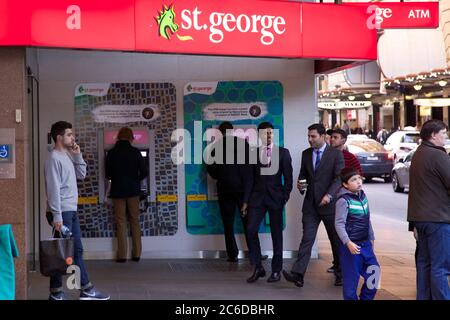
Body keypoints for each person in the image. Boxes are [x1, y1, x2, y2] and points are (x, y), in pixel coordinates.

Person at [45, 121, 110, 300]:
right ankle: (84, 288)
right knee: (69, 251)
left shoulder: (66, 155)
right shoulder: (53, 158)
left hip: (70, 210)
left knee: (67, 251)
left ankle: (58, 292)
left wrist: (78, 156)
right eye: (69, 134)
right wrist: (57, 216)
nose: (73, 137)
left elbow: (82, 175)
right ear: (59, 137)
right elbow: (53, 189)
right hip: (63, 212)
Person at [283, 123, 344, 287]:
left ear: (323, 136)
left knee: (335, 241)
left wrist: (329, 195)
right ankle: (298, 274)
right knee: (307, 240)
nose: (310, 139)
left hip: (329, 205)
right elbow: (304, 174)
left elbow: (339, 178)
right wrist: (301, 184)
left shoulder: (335, 155)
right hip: (310, 205)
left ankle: (340, 273)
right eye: (308, 136)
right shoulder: (305, 154)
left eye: (313, 136)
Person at [245, 122, 293, 283]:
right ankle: (258, 267)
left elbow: (289, 178)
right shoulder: (253, 153)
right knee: (250, 230)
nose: (268, 135)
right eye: (265, 133)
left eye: (271, 133)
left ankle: (276, 270)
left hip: (275, 199)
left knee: (276, 234)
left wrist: (284, 197)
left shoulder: (283, 153)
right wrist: (246, 200)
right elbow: (249, 180)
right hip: (257, 199)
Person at [407, 119, 450, 300]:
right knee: (440, 267)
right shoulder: (437, 155)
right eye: (443, 133)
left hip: (420, 218)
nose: (446, 137)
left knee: (424, 264)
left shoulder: (418, 153)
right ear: (433, 135)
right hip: (438, 219)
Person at [206, 122, 258, 262]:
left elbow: (211, 170)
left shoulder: (216, 148)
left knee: (228, 223)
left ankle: (232, 254)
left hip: (225, 190)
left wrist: (222, 176)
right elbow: (251, 167)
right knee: (248, 222)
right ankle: (254, 253)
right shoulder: (244, 145)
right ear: (233, 131)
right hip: (242, 190)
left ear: (220, 132)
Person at [335, 167, 379, 300]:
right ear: (345, 184)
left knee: (374, 273)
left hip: (365, 244)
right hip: (351, 248)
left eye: (359, 178)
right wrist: (347, 242)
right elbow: (339, 224)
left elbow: (367, 219)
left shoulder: (362, 196)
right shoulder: (343, 201)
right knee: (351, 283)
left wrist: (371, 237)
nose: (358, 182)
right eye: (353, 180)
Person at [105, 127, 148, 263]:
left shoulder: (111, 153)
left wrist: (118, 178)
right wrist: (135, 179)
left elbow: (108, 174)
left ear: (118, 137)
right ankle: (136, 254)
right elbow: (144, 172)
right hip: (133, 192)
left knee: (121, 222)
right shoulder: (135, 152)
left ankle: (122, 255)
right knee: (135, 221)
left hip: (118, 191)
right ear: (131, 138)